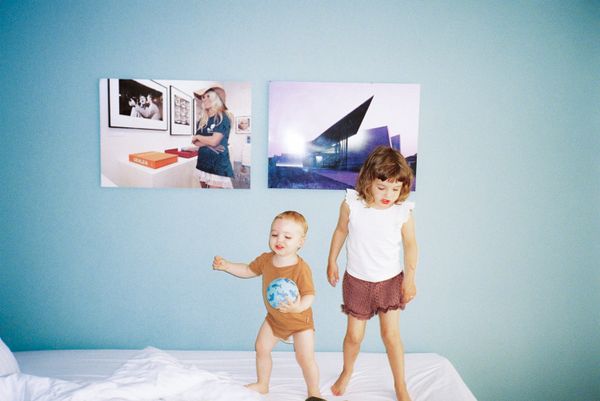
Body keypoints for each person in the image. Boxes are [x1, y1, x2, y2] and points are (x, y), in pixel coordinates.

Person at [326, 146, 418, 401]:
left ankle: (400, 384)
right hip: (357, 281)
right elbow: (340, 231)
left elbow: (411, 246)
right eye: (382, 187)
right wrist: (332, 260)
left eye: (395, 189)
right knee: (354, 336)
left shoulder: (402, 212)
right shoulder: (352, 205)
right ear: (368, 181)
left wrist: (410, 280)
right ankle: (347, 371)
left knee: (391, 336)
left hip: (390, 281)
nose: (389, 195)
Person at [212, 211, 327, 401]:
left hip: (300, 322)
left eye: (287, 237)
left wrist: (297, 307)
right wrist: (227, 266)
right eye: (274, 234)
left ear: (300, 242)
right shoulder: (266, 260)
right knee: (261, 348)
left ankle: (314, 391)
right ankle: (262, 384)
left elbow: (309, 295)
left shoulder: (301, 268)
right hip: (275, 320)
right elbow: (247, 270)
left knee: (305, 358)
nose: (279, 239)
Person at [192, 84, 234, 188]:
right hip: (203, 162)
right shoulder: (202, 121)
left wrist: (198, 137)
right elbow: (194, 142)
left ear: (216, 98)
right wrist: (208, 144)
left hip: (218, 165)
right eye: (203, 97)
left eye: (208, 96)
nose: (204, 99)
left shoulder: (223, 117)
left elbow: (214, 141)